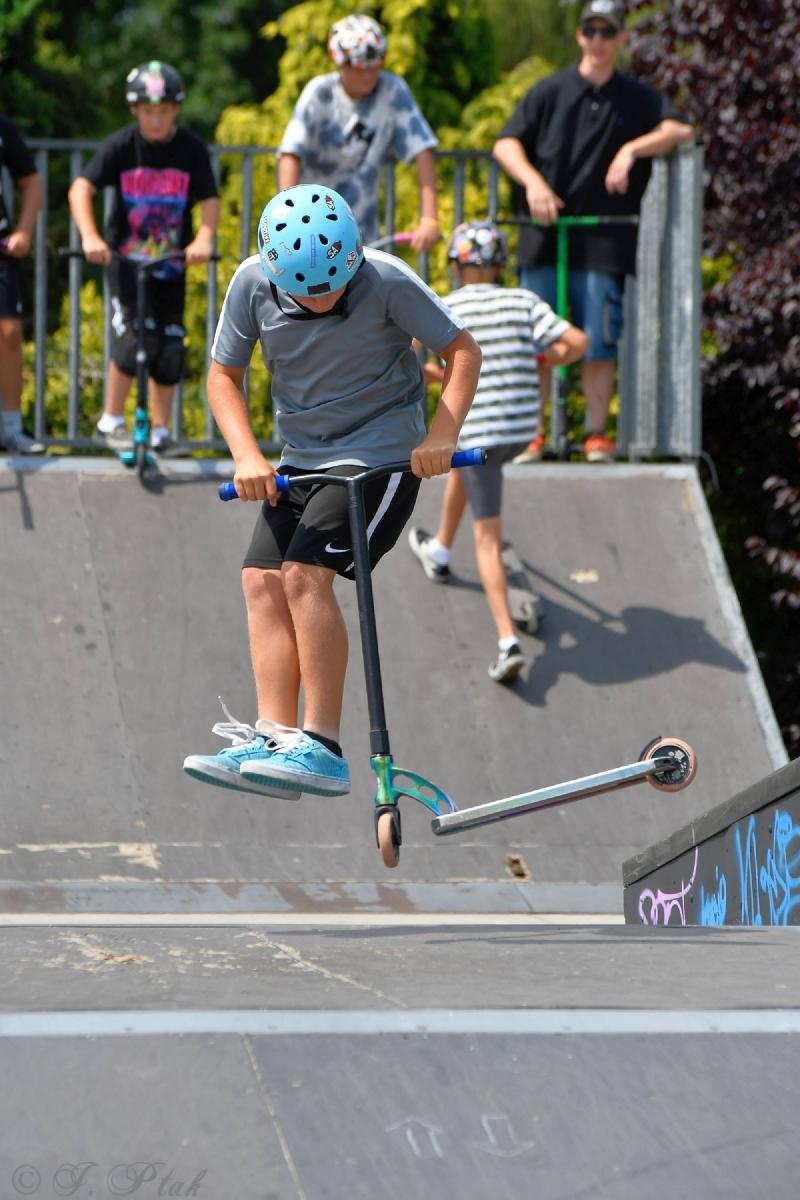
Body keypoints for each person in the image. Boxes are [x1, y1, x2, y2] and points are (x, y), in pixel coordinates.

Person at [183, 184, 481, 798]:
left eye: (333, 287)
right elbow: (223, 375)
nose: (322, 300)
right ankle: (275, 737)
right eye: (306, 292)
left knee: (302, 575)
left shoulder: (386, 278)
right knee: (260, 579)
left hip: (381, 456)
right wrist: (246, 454)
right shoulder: (250, 283)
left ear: (353, 257)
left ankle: (321, 746)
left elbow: (462, 350)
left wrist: (441, 434)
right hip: (302, 460)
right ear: (276, 274)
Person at [492, 0, 695, 464]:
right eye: (591, 31)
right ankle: (531, 436)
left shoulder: (637, 96)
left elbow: (680, 129)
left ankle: (596, 435)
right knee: (536, 340)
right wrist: (533, 183)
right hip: (544, 237)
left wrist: (631, 150)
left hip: (603, 240)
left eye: (608, 32)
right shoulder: (549, 90)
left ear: (621, 38)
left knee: (599, 339)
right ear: (580, 36)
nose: (598, 41)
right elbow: (505, 144)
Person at [408, 220, 587, 682]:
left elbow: (408, 346)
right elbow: (577, 343)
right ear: (500, 264)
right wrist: (542, 359)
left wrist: (424, 373)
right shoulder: (522, 300)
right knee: (467, 470)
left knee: (487, 538)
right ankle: (440, 551)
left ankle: (508, 642)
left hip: (480, 435)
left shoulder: (447, 304)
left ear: (455, 265)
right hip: (520, 432)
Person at [68, 61, 220, 456]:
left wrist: (204, 238)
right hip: (127, 265)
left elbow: (209, 199)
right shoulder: (121, 145)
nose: (156, 120)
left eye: (164, 111)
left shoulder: (191, 149)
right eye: (148, 111)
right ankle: (110, 421)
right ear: (135, 110)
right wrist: (90, 236)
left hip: (171, 265)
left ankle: (161, 432)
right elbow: (81, 188)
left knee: (170, 346)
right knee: (137, 338)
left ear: (176, 110)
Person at [277, 14, 440, 254]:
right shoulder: (320, 92)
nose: (368, 74)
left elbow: (422, 149)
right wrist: (287, 217)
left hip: (362, 235)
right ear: (340, 62)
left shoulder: (392, 91)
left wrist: (429, 218)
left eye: (374, 65)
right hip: (311, 230)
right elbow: (290, 154)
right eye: (359, 66)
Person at [0, 116, 45, 454]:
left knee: (10, 333)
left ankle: (12, 428)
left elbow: (31, 182)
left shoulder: (4, 128)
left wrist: (24, 231)